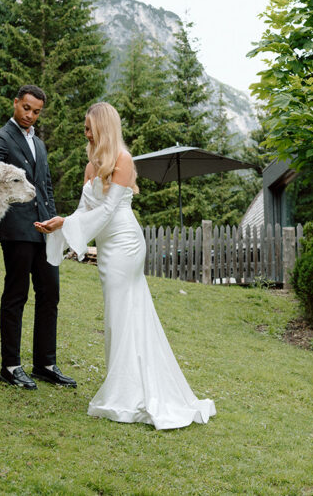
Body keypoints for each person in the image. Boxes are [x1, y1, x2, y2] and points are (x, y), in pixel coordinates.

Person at [36, 102, 215, 429]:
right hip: (106, 248)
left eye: (90, 127)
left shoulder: (123, 160)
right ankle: (128, 385)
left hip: (125, 244)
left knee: (120, 316)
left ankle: (125, 394)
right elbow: (83, 211)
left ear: (104, 128)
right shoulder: (91, 166)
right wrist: (61, 224)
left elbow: (106, 212)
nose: (85, 132)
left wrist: (68, 224)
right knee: (120, 316)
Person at [0, 85, 77, 390]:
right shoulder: (1, 138)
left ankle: (45, 364)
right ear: (15, 103)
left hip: (45, 229)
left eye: (36, 111)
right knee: (16, 295)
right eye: (26, 108)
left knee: (50, 294)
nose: (30, 115)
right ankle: (10, 367)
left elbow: (45, 184)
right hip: (17, 230)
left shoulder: (39, 142)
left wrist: (54, 219)